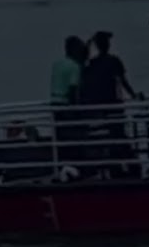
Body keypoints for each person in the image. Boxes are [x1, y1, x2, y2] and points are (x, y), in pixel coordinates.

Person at [81, 31, 140, 175]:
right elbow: (123, 81)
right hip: (113, 104)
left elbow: (85, 72)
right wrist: (133, 95)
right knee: (118, 134)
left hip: (101, 105)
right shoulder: (113, 61)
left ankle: (117, 165)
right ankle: (129, 165)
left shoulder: (93, 63)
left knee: (111, 136)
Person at [50, 36, 87, 164]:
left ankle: (62, 164)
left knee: (60, 137)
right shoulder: (75, 67)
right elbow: (73, 90)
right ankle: (75, 164)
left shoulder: (57, 64)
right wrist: (77, 110)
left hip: (54, 104)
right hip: (66, 105)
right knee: (73, 136)